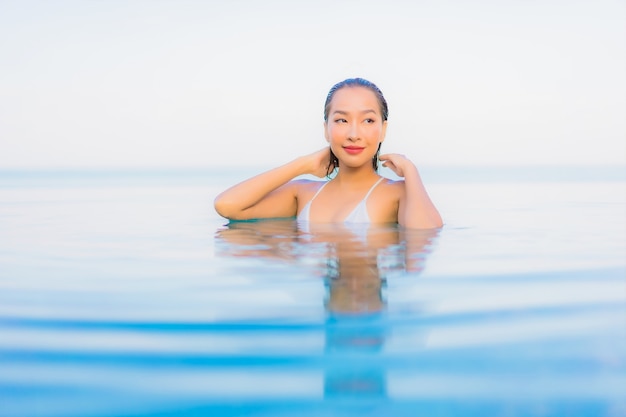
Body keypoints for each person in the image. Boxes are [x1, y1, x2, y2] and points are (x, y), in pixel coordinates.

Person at [214, 78, 443, 229]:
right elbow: (227, 206)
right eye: (341, 120)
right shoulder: (303, 193)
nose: (354, 134)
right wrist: (301, 164)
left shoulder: (399, 193)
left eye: (368, 120)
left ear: (383, 130)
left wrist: (411, 172)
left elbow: (422, 242)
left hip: (372, 300)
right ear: (326, 129)